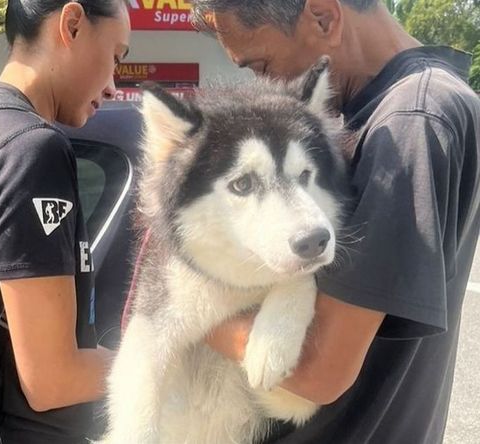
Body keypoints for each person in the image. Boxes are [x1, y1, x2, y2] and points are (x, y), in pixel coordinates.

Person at [190, 0, 480, 442]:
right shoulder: (385, 110)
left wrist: (186, 311)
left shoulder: (411, 123)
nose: (268, 89)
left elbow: (316, 370)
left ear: (324, 17)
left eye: (263, 66)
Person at [0, 0, 130, 443]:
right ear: (73, 24)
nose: (114, 85)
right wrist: (175, 361)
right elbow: (51, 379)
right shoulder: (30, 150)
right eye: (115, 57)